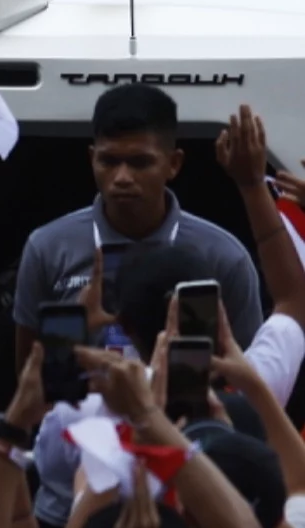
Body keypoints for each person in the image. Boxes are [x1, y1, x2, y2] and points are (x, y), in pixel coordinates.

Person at [13, 83, 262, 359]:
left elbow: (247, 377)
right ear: (91, 158)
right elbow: (29, 376)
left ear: (174, 164)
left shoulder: (224, 257)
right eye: (108, 161)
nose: (122, 178)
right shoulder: (47, 248)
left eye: (140, 163)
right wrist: (74, 331)